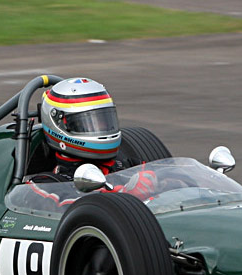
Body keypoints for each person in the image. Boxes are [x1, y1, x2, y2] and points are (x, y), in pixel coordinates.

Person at [24, 78, 155, 207]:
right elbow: (68, 209)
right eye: (86, 123)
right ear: (59, 126)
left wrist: (157, 180)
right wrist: (126, 196)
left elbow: (169, 179)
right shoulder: (45, 184)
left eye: (104, 120)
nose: (101, 128)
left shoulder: (125, 165)